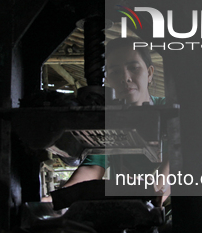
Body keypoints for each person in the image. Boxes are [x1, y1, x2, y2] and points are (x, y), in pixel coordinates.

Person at [57, 37, 170, 202]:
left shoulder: (167, 110)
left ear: (150, 73)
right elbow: (93, 167)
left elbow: (176, 159)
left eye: (133, 68)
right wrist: (59, 198)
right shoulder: (108, 120)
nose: (126, 78)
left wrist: (157, 189)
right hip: (128, 205)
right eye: (115, 71)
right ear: (108, 80)